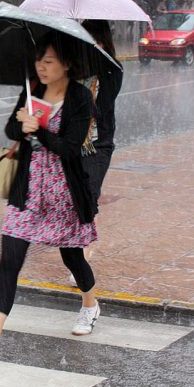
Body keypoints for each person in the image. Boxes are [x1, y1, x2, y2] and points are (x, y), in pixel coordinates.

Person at [0, 32, 99, 362]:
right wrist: (22, 123)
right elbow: (11, 130)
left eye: (48, 61)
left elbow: (71, 149)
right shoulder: (32, 88)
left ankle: (90, 305)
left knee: (72, 257)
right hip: (28, 190)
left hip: (63, 194)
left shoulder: (79, 98)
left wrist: (40, 130)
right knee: (10, 261)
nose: (41, 67)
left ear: (67, 64)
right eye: (38, 60)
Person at [77, 20, 123, 265]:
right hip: (72, 144)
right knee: (74, 199)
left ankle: (82, 257)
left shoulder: (112, 71)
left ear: (103, 43)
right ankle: (76, 247)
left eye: (93, 40)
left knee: (88, 197)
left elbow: (102, 108)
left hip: (98, 145)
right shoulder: (70, 69)